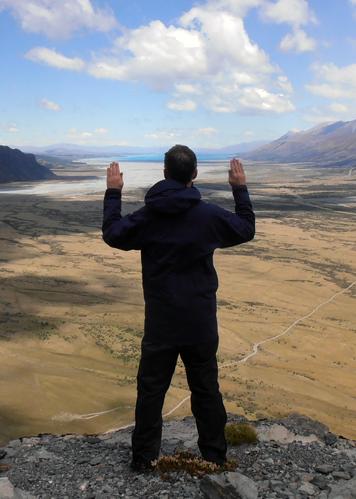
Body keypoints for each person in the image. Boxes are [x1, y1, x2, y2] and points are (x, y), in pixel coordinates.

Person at [102, 144, 255, 471]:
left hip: (161, 324)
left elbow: (113, 233)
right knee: (206, 392)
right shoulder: (209, 215)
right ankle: (214, 458)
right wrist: (239, 188)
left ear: (165, 174)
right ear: (194, 175)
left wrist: (113, 193)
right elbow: (246, 228)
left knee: (151, 393)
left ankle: (144, 460)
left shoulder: (148, 216)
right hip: (200, 322)